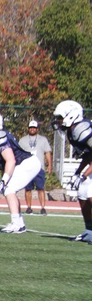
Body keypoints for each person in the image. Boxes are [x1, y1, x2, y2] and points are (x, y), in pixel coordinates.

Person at [0, 111, 41, 234]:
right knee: (10, 190)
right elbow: (4, 163)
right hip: (25, 163)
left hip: (27, 163)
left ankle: (16, 224)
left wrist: (4, 180)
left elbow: (10, 160)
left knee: (8, 189)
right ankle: (19, 223)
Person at [52, 100, 92, 243]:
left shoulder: (83, 130)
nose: (58, 121)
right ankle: (89, 231)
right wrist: (78, 173)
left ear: (71, 116)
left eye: (60, 117)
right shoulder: (72, 131)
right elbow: (89, 155)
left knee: (90, 193)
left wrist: (83, 176)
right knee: (82, 193)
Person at [18, 120, 52, 215]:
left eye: (34, 128)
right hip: (27, 168)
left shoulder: (43, 139)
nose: (32, 129)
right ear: (28, 129)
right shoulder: (23, 140)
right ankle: (29, 207)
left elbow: (47, 152)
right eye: (30, 128)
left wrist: (49, 165)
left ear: (37, 129)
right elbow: (18, 153)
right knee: (28, 189)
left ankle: (42, 208)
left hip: (39, 168)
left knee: (41, 188)